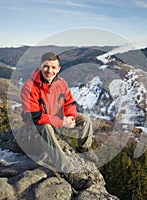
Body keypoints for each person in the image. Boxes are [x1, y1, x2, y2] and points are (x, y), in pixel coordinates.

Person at [20, 52, 98, 191]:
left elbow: (70, 103)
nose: (49, 71)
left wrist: (71, 117)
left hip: (55, 118)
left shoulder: (61, 83)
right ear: (40, 66)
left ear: (59, 69)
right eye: (46, 67)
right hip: (35, 126)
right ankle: (68, 172)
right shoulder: (29, 87)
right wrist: (61, 122)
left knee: (84, 119)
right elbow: (33, 116)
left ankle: (84, 147)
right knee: (46, 127)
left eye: (53, 67)